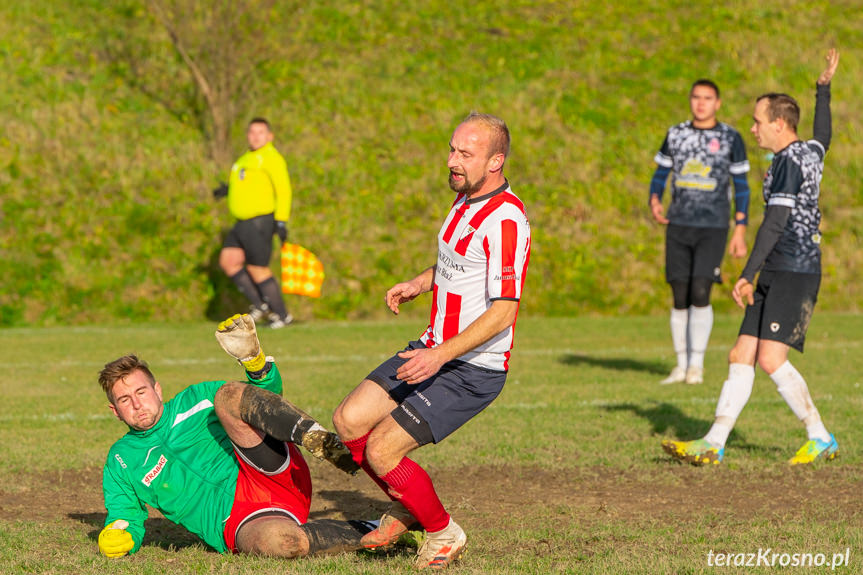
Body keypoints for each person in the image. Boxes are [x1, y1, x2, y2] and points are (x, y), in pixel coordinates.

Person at [332, 112, 530, 570]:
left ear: (496, 161)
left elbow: (504, 310)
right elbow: (459, 263)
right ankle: (409, 506)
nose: (453, 161)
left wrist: (439, 356)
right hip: (431, 347)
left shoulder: (506, 220)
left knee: (382, 449)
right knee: (349, 421)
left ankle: (443, 531)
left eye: (466, 154)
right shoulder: (463, 200)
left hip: (471, 369)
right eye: (452, 150)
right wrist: (421, 283)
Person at [662, 49, 840, 466]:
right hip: (780, 268)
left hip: (793, 270)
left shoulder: (788, 165)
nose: (753, 128)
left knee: (769, 357)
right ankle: (714, 442)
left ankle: (820, 435)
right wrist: (824, 91)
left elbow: (775, 223)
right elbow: (825, 136)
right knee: (741, 354)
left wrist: (747, 274)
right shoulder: (808, 152)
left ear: (779, 125)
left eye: (758, 121)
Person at [97, 314, 366, 559]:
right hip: (242, 520)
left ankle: (324, 443)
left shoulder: (196, 397)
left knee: (227, 396)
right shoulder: (121, 458)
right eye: (124, 399)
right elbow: (124, 515)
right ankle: (380, 531)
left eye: (141, 392)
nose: (136, 404)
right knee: (282, 543)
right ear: (115, 411)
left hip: (265, 469)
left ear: (157, 389)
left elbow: (263, 401)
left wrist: (256, 366)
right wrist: (119, 537)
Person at [650, 79, 752, 385]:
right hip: (679, 223)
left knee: (700, 291)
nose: (701, 103)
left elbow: (742, 186)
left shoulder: (730, 137)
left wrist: (740, 229)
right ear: (690, 100)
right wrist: (655, 199)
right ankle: (680, 365)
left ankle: (697, 365)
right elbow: (660, 174)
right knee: (679, 293)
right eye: (696, 97)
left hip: (714, 225)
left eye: (708, 98)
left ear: (717, 103)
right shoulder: (676, 134)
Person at [217, 118, 293, 328]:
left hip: (259, 221)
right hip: (241, 222)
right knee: (228, 261)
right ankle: (260, 304)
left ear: (270, 136)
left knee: (257, 268)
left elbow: (283, 190)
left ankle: (282, 315)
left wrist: (281, 221)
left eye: (260, 132)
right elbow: (246, 184)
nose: (255, 136)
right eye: (252, 132)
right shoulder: (245, 159)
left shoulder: (271, 158)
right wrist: (228, 191)